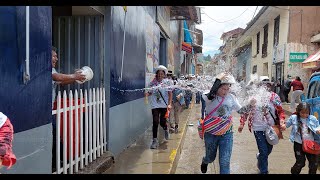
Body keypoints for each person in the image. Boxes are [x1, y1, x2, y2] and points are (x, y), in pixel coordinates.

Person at [238, 76, 285, 174]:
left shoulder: (274, 97)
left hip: (271, 128)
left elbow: (280, 111)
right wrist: (242, 124)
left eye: (267, 85)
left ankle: (260, 157)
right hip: (257, 128)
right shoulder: (253, 97)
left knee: (268, 150)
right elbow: (245, 112)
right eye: (263, 85)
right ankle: (264, 171)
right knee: (263, 150)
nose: (265, 87)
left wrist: (282, 122)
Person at [51, 46, 86, 171]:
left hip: (50, 110)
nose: (56, 58)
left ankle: (58, 161)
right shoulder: (48, 69)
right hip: (45, 112)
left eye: (56, 56)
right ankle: (56, 162)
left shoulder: (53, 69)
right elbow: (57, 78)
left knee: (55, 135)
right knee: (53, 136)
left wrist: (75, 78)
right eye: (54, 56)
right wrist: (74, 76)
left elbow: (61, 82)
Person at [200, 72, 242, 174]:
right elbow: (209, 95)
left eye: (228, 89)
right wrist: (219, 78)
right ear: (217, 87)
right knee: (210, 157)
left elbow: (241, 110)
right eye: (223, 89)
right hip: (211, 133)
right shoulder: (209, 96)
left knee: (224, 162)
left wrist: (250, 104)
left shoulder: (231, 97)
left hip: (227, 134)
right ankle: (205, 161)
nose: (225, 91)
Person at [284, 102, 320, 174]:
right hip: (299, 144)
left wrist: (318, 131)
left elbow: (317, 127)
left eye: (307, 113)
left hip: (311, 145)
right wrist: (282, 126)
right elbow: (286, 125)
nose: (304, 115)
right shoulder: (294, 118)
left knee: (314, 164)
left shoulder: (312, 118)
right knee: (300, 163)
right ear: (298, 111)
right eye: (302, 113)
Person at [146, 65, 172, 149]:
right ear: (156, 74)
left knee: (162, 122)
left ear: (164, 75)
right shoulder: (152, 83)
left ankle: (165, 128)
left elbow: (170, 94)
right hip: (155, 105)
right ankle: (154, 140)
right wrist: (147, 94)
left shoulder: (167, 83)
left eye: (162, 74)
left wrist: (169, 104)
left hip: (164, 105)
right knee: (155, 121)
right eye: (159, 73)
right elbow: (150, 92)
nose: (160, 75)